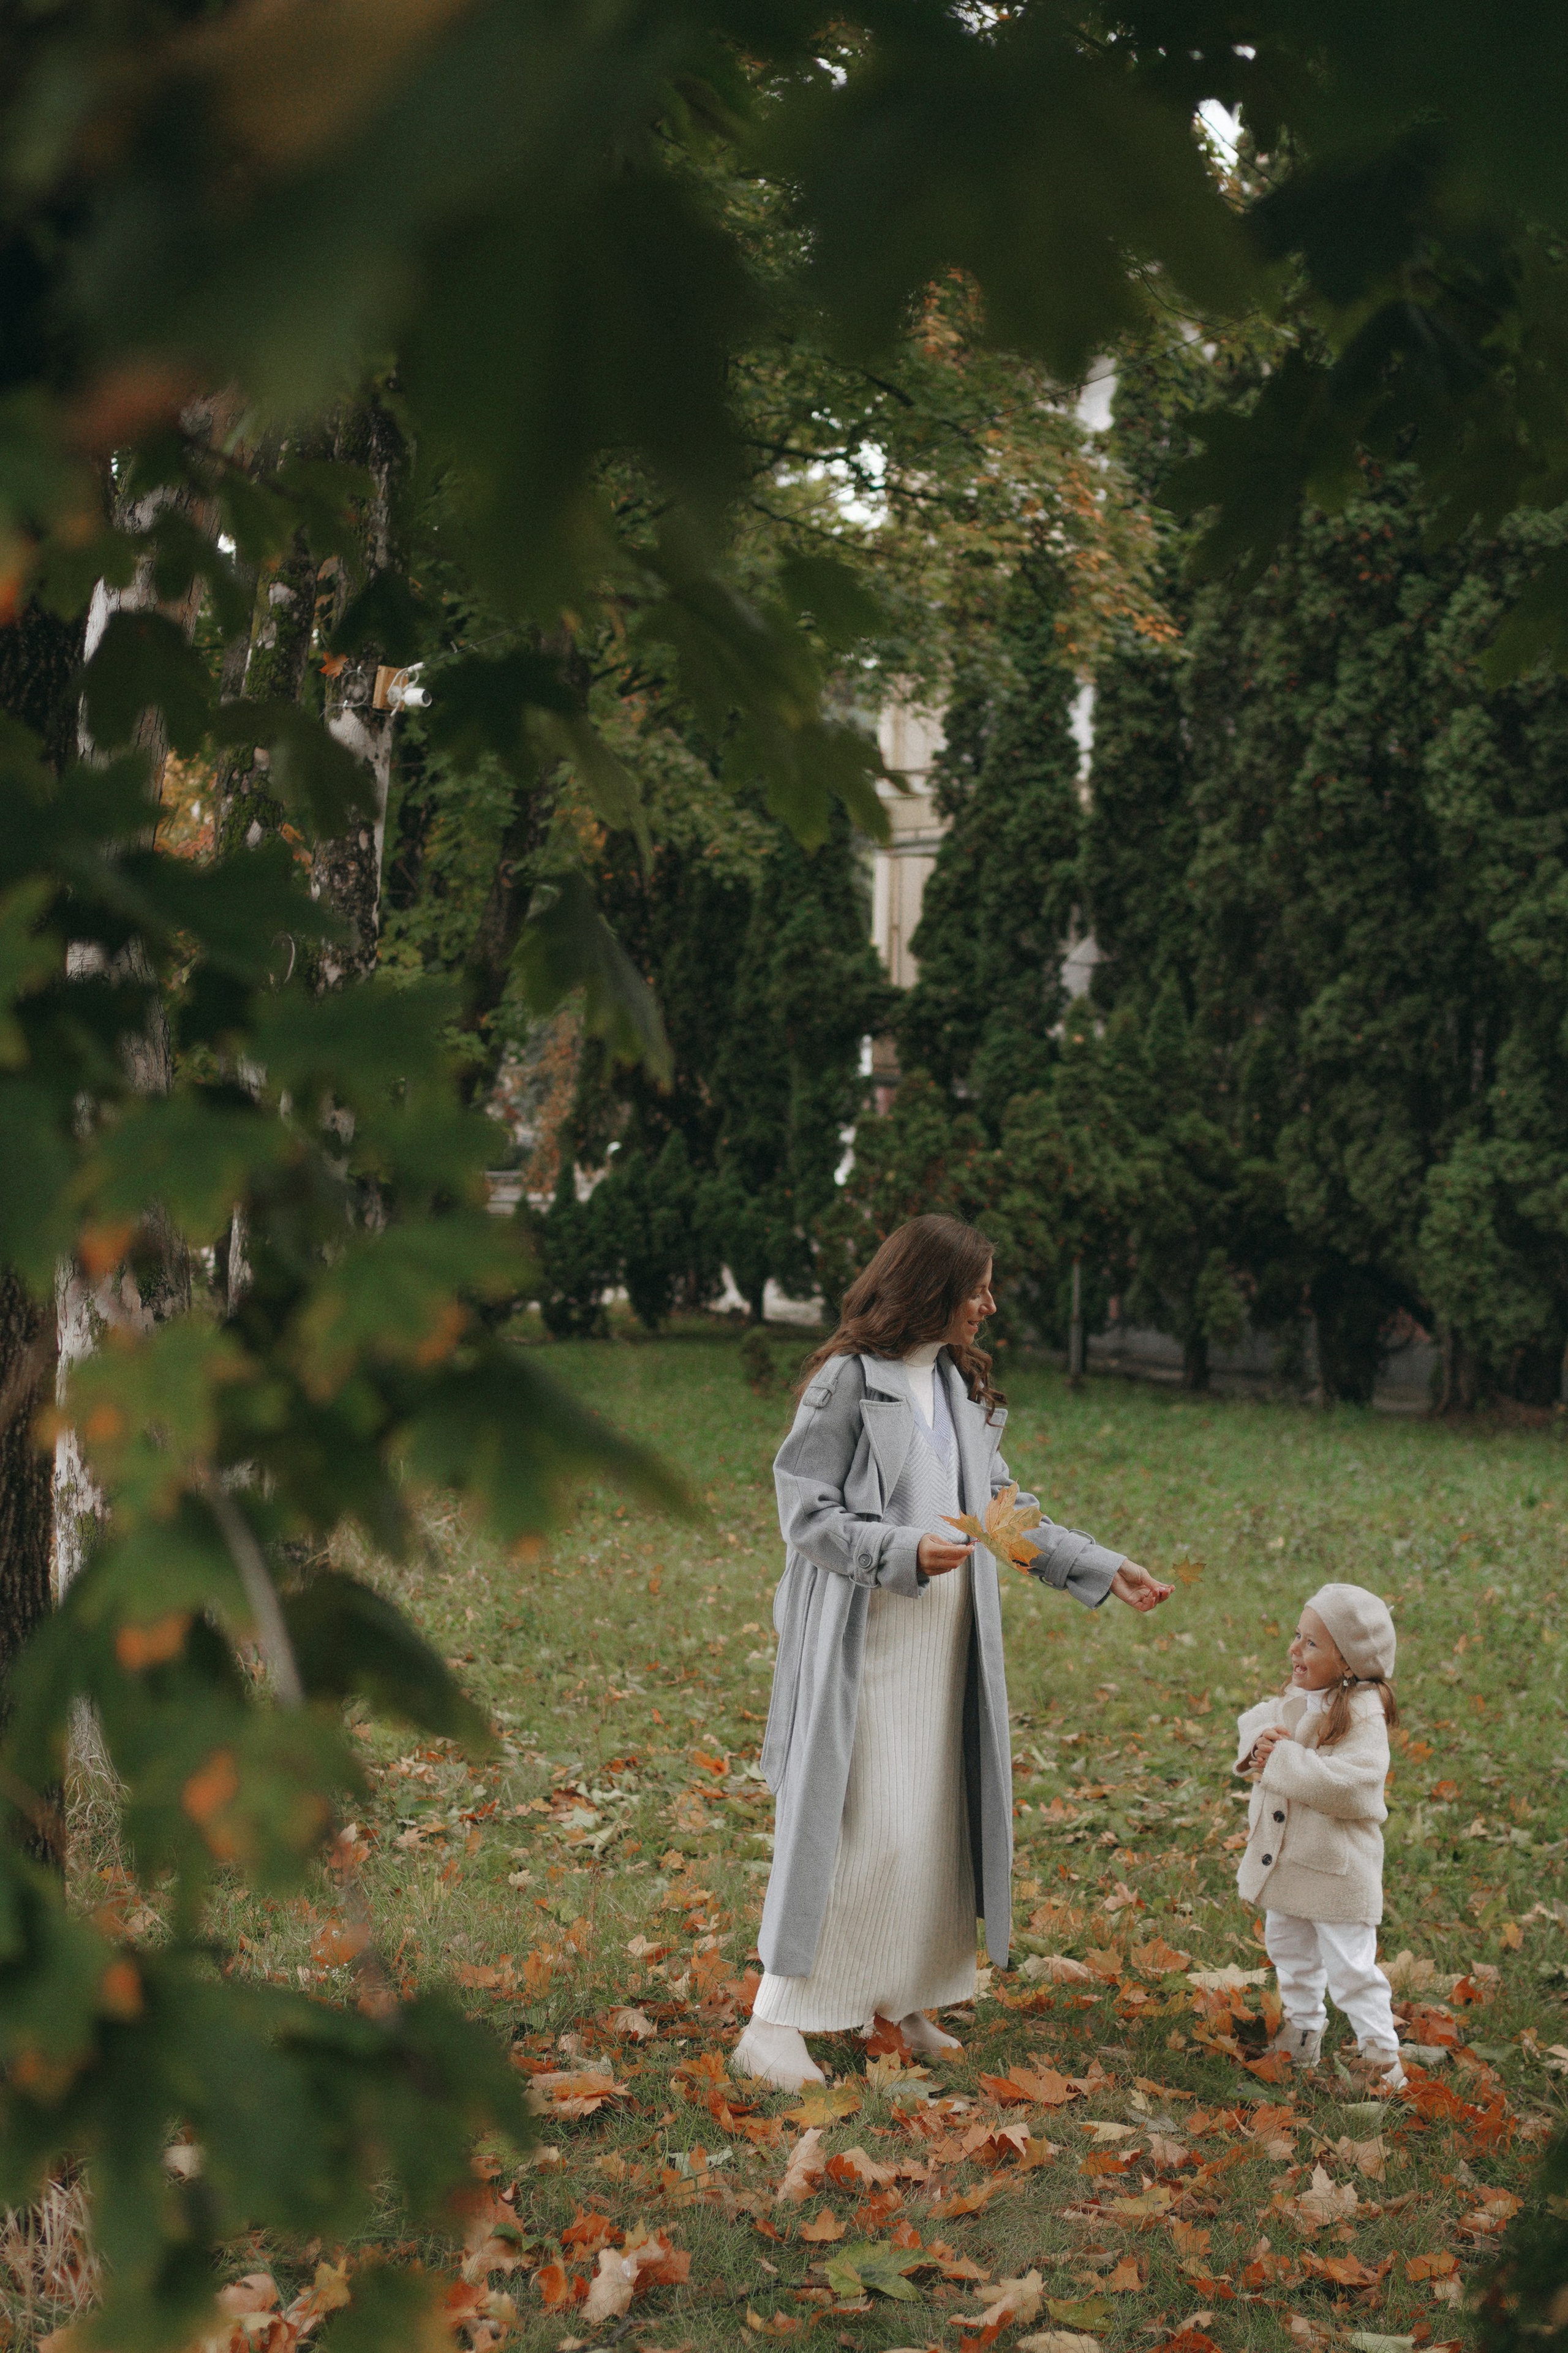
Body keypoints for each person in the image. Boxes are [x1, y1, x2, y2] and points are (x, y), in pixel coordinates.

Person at [734, 1214, 1172, 2093]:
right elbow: (806, 1514)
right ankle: (774, 2021)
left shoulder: (959, 1389)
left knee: (933, 1821)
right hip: (865, 1641)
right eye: (976, 1289)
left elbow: (1002, 1513)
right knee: (857, 1826)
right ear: (930, 1287)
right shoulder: (845, 1381)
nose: (990, 1305)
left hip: (946, 1643)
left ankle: (901, 1996)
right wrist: (899, 1551)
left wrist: (1101, 1565)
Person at [1234, 1584, 1405, 2089]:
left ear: (1349, 1661)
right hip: (1288, 1861)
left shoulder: (1363, 1713)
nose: (1294, 1650)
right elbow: (1268, 1715)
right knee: (1289, 1947)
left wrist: (1284, 1760)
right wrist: (1260, 1740)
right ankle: (1303, 2030)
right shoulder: (1306, 1692)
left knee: (1351, 1968)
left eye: (1311, 1643)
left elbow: (1354, 1787)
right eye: (1297, 1636)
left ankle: (1382, 2060)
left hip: (1336, 1871)